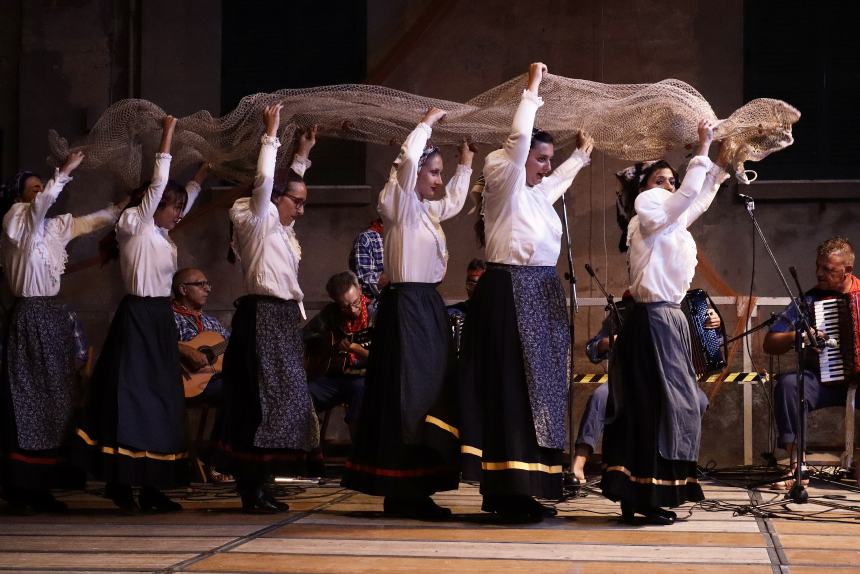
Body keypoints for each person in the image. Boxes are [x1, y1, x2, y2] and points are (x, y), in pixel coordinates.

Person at [459, 62, 593, 522]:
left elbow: (558, 179)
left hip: (539, 295)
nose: (546, 166)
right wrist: (531, 92)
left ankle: (527, 485)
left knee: (541, 392)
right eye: (541, 158)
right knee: (514, 391)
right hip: (510, 294)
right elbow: (518, 146)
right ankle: (507, 490)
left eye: (548, 159)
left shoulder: (537, 192)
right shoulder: (504, 178)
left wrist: (580, 155)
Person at [341, 107, 474, 519]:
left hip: (427, 307)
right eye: (433, 171)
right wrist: (424, 125)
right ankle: (402, 489)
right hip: (406, 309)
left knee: (431, 395)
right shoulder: (396, 204)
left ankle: (420, 484)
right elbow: (404, 164)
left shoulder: (428, 212)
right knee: (408, 397)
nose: (438, 179)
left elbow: (452, 200)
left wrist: (466, 164)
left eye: (439, 172)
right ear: (415, 173)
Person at [600, 119, 730, 525]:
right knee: (656, 407)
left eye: (672, 180)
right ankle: (642, 495)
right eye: (661, 179)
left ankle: (649, 494)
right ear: (644, 188)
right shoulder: (646, 212)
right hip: (653, 320)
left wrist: (721, 164)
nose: (670, 185)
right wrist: (703, 148)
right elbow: (686, 196)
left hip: (669, 320)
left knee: (673, 406)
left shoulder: (668, 220)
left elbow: (698, 199)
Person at [74, 115, 205, 513]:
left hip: (159, 320)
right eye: (172, 207)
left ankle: (152, 485)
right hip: (136, 319)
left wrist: (206, 169)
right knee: (131, 399)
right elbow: (157, 189)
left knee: (163, 399)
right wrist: (167, 136)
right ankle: (122, 483)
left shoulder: (163, 236)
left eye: (181, 208)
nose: (178, 214)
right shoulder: (134, 224)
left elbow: (189, 193)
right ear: (154, 204)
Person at [0, 152, 127, 513]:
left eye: (43, 187)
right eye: (34, 188)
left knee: (56, 400)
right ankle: (19, 485)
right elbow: (39, 207)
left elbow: (89, 223)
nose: (42, 192)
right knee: (27, 402)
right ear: (19, 196)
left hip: (50, 317)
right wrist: (65, 172)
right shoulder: (17, 220)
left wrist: (119, 207)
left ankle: (42, 486)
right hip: (27, 316)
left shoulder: (52, 227)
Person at [217, 103, 321, 514]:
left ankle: (263, 481)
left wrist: (303, 155)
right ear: (276, 199)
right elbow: (265, 182)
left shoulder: (282, 228)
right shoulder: (254, 220)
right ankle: (250, 486)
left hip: (281, 318)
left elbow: (285, 188)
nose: (301, 209)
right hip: (260, 315)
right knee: (259, 401)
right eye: (296, 202)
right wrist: (271, 133)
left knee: (283, 400)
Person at [571, 295, 716, 483]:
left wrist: (714, 327)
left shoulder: (678, 307)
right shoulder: (624, 311)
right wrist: (610, 341)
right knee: (600, 396)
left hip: (672, 381)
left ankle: (676, 464)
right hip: (628, 379)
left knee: (699, 400)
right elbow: (592, 349)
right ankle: (579, 463)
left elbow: (712, 343)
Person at [763, 236, 860, 487]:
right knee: (788, 385)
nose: (819, 273)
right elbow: (770, 341)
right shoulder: (811, 301)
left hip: (858, 384)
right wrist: (801, 336)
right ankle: (798, 467)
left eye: (828, 269)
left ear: (847, 270)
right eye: (818, 266)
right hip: (822, 382)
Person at [303, 271, 375, 438]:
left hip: (364, 378)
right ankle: (311, 453)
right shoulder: (331, 314)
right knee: (302, 394)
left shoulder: (375, 315)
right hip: (335, 378)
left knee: (361, 391)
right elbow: (305, 335)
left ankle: (359, 456)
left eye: (355, 303)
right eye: (345, 306)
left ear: (360, 290)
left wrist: (358, 351)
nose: (353, 310)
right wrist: (328, 343)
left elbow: (384, 359)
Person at [349, 218, 388, 300]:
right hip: (378, 305)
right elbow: (364, 281)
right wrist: (394, 275)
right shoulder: (366, 238)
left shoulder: (403, 237)